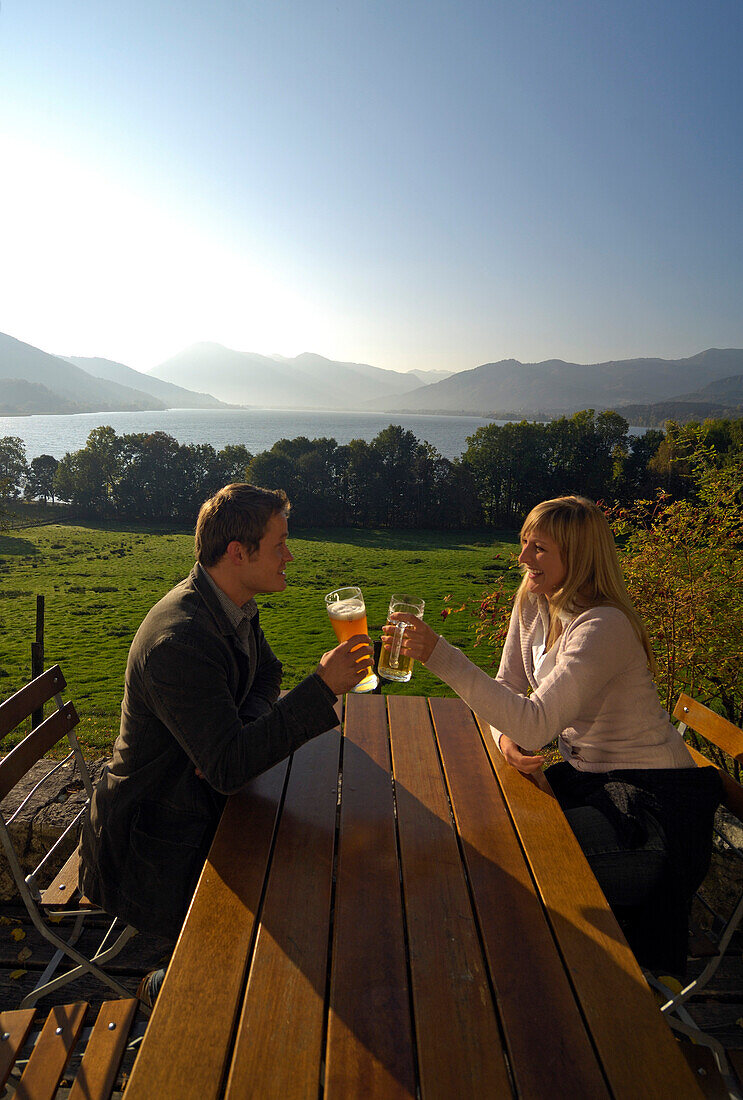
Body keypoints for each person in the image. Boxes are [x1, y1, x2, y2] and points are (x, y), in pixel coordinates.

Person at [383, 495, 721, 975]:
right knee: (475, 837)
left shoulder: (603, 626)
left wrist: (440, 654)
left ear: (577, 557)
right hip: (593, 788)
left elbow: (536, 723)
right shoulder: (534, 602)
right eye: (524, 543)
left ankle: (537, 996)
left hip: (651, 817)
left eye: (537, 548)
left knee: (500, 865)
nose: (522, 558)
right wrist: (505, 741)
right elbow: (508, 691)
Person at [79, 483, 372, 995]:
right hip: (155, 845)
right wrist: (322, 689)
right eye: (279, 543)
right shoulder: (182, 641)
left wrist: (240, 734)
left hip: (201, 810)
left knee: (322, 863)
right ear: (238, 553)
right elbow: (231, 769)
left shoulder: (227, 604)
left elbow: (266, 674)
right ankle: (179, 991)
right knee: (304, 892)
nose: (290, 555)